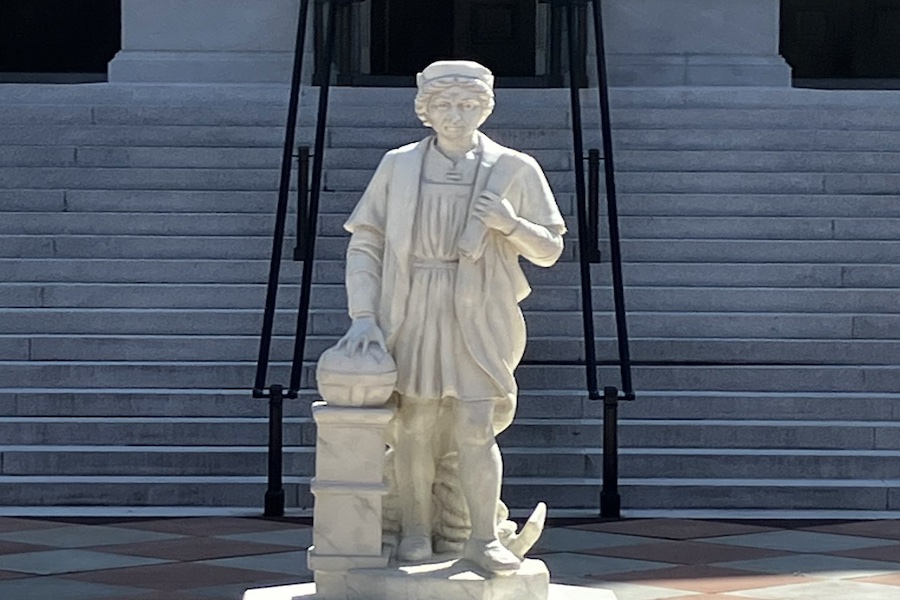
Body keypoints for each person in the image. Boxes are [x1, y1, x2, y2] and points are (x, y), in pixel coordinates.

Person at [337, 60, 565, 575]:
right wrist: (363, 315)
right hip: (412, 306)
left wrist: (510, 223)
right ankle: (416, 532)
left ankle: (482, 537)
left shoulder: (514, 168)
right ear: (425, 110)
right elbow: (366, 243)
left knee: (475, 427)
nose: (454, 114)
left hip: (480, 312)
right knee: (414, 425)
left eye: (466, 104)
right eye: (443, 104)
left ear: (485, 108)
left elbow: (550, 249)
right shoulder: (398, 165)